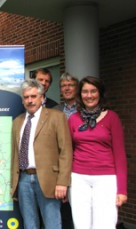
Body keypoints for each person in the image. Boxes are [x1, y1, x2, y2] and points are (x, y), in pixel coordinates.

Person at [11, 79, 72, 229]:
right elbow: (14, 155)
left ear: (42, 98)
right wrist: (15, 184)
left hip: (48, 180)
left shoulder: (56, 117)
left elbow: (66, 151)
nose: (30, 100)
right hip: (24, 180)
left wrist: (63, 182)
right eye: (26, 97)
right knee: (30, 225)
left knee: (52, 224)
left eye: (33, 96)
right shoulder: (17, 122)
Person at [68, 76, 128, 229]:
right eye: (85, 92)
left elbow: (120, 155)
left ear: (100, 93)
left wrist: (122, 190)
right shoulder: (73, 119)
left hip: (105, 178)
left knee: (105, 223)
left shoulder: (112, 118)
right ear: (80, 95)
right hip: (78, 178)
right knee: (81, 224)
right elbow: (68, 152)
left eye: (93, 91)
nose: (89, 96)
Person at [53, 72, 79, 229]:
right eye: (63, 86)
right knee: (63, 209)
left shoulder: (85, 109)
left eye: (70, 85)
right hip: (60, 163)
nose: (67, 88)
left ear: (76, 88)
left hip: (80, 162)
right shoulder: (55, 109)